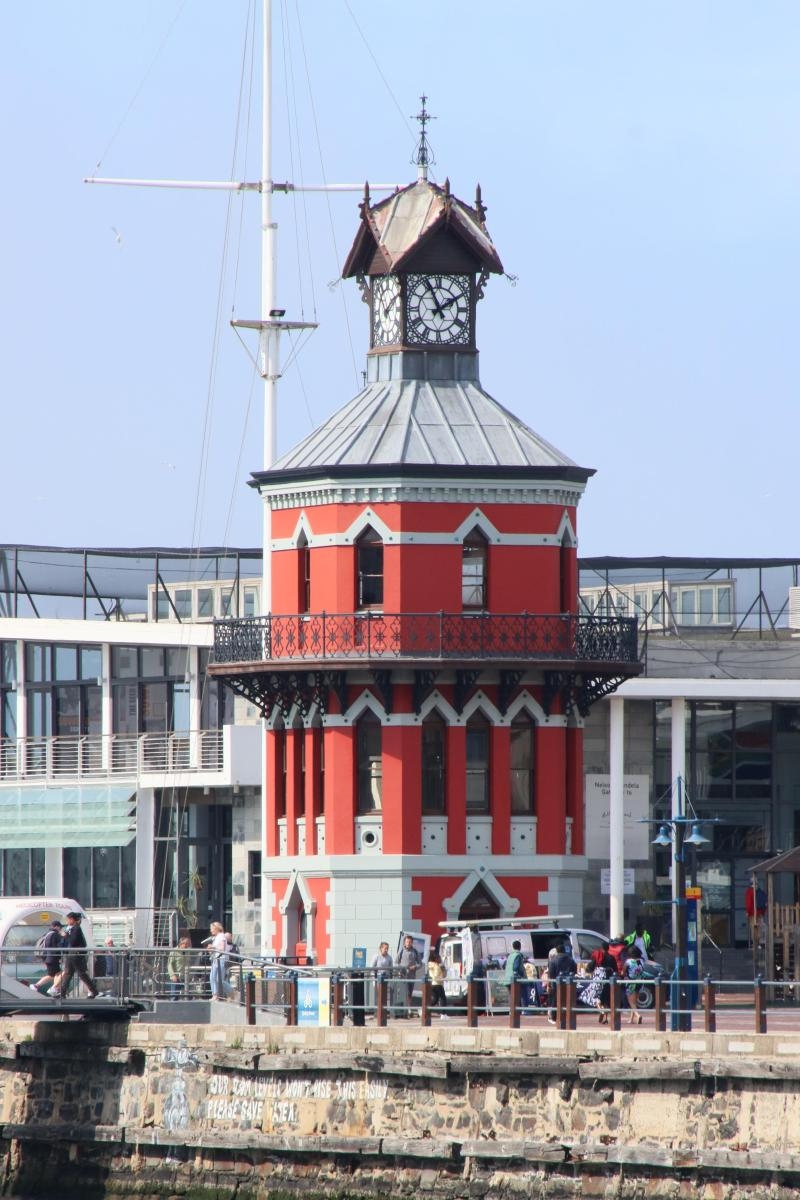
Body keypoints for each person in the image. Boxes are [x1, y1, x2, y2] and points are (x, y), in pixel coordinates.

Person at [50, 911, 97, 999]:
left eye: (68, 919)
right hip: (72, 954)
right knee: (69, 973)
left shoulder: (76, 929)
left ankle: (93, 991)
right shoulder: (74, 928)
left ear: (72, 919)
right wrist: (66, 935)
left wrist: (65, 935)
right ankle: (62, 993)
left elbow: (72, 941)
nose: (67, 921)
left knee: (80, 974)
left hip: (75, 955)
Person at [31, 920, 64, 994]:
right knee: (56, 974)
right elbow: (58, 947)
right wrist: (63, 937)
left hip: (48, 958)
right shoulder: (55, 935)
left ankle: (55, 988)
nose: (61, 929)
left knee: (55, 974)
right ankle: (38, 986)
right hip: (53, 958)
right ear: (56, 927)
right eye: (60, 927)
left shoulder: (47, 934)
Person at [547, 942, 577, 1024]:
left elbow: (551, 974)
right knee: (567, 1000)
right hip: (567, 983)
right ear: (564, 950)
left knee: (555, 1000)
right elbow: (574, 970)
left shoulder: (553, 961)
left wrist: (549, 984)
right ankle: (567, 1017)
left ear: (557, 951)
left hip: (556, 983)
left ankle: (554, 1017)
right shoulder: (570, 960)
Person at [394, 933, 422, 1016]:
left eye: (410, 942)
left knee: (409, 993)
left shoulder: (415, 952)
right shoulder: (401, 951)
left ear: (412, 943)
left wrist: (415, 967)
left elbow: (420, 964)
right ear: (404, 942)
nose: (408, 943)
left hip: (411, 976)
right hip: (402, 976)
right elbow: (396, 963)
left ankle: (408, 1009)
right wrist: (402, 968)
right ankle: (401, 1009)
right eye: (407, 942)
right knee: (402, 993)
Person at [207, 921, 231, 1001]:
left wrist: (213, 947)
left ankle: (231, 992)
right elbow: (216, 949)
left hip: (220, 960)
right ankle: (215, 994)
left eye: (212, 929)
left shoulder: (221, 936)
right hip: (216, 959)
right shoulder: (217, 937)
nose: (211, 930)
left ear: (216, 928)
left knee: (218, 979)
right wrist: (211, 950)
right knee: (213, 977)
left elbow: (222, 948)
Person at [504, 939, 529, 1011]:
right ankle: (524, 1010)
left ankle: (512, 1011)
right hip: (516, 979)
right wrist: (521, 976)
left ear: (513, 947)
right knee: (523, 994)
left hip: (508, 979)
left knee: (511, 996)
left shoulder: (510, 956)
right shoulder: (518, 955)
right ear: (520, 947)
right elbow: (515, 967)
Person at [167, 935, 192, 1000]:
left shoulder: (188, 951)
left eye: (188, 944)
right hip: (176, 977)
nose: (187, 945)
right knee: (175, 996)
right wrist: (172, 975)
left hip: (185, 977)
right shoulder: (174, 951)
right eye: (186, 943)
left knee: (189, 996)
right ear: (181, 943)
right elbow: (169, 964)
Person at [624, 945, 644, 1024]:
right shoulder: (642, 960)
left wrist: (624, 975)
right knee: (634, 1002)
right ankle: (631, 1019)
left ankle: (638, 1015)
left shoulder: (628, 961)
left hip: (631, 983)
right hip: (640, 982)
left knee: (631, 1002)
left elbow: (623, 971)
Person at [426, 949, 447, 1014]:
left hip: (432, 984)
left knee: (435, 999)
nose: (440, 959)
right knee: (443, 998)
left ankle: (426, 1010)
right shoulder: (436, 966)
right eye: (439, 958)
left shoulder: (431, 965)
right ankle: (443, 1014)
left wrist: (443, 970)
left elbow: (443, 975)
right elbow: (437, 976)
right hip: (437, 984)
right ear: (435, 959)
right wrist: (442, 975)